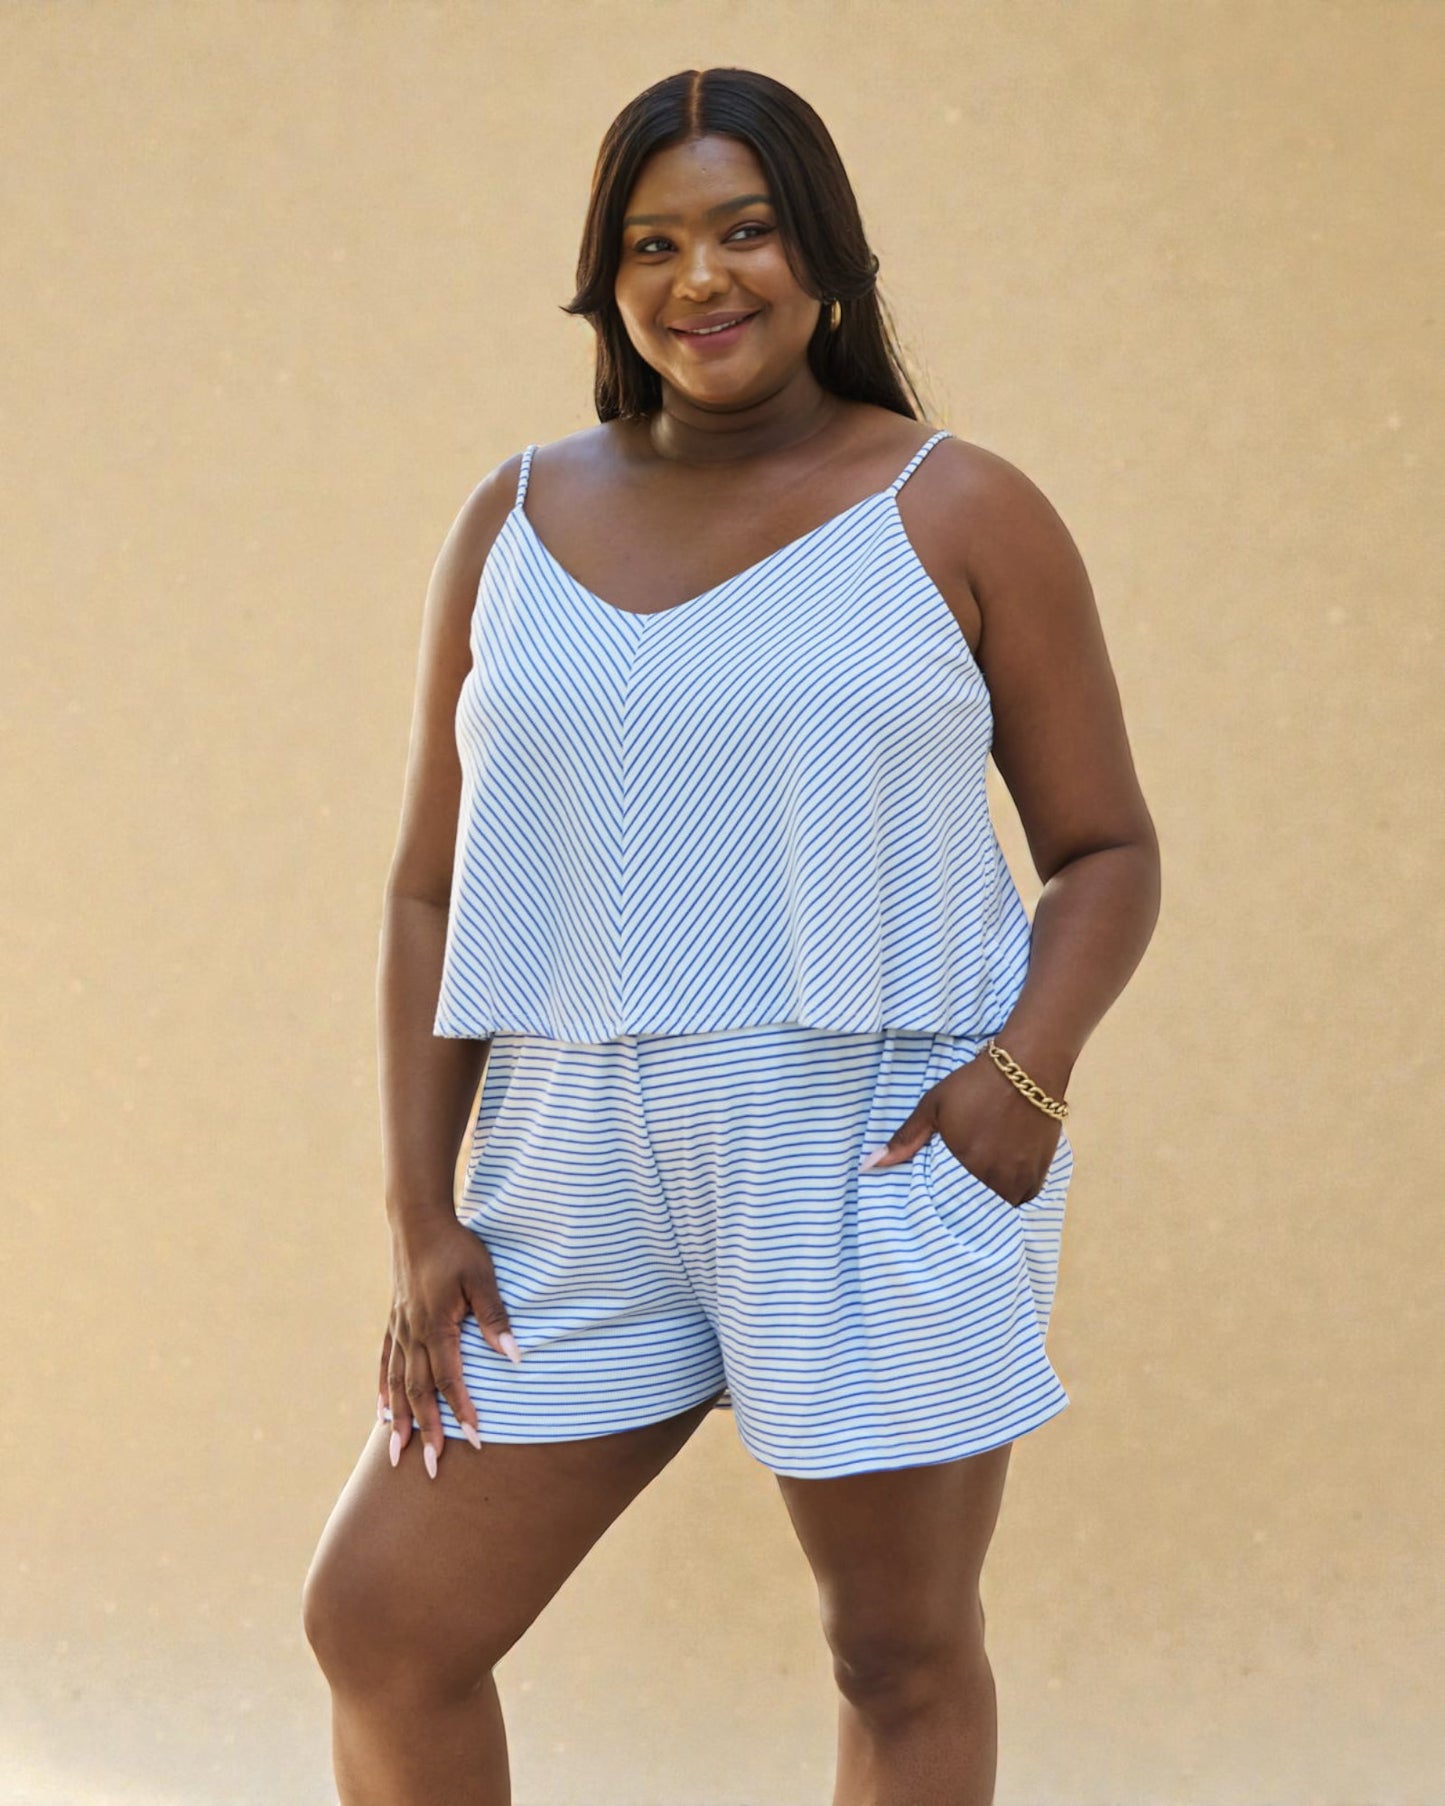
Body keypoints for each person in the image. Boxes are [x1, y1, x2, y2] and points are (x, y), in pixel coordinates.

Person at [302, 65, 1161, 1806]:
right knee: (382, 1622)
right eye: (654, 243)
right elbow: (428, 887)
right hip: (565, 1161)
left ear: (819, 252)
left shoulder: (958, 508)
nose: (704, 278)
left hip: (867, 1144)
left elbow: (1107, 848)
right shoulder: (512, 519)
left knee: (896, 1653)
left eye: (746, 230)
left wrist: (1023, 1078)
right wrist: (419, 1207)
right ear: (607, 281)